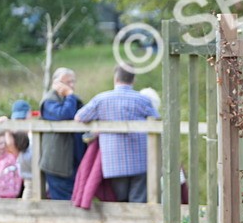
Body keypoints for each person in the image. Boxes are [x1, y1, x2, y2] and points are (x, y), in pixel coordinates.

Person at [75, 66, 160, 203]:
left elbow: (79, 117)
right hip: (141, 159)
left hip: (113, 161)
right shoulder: (142, 100)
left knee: (119, 200)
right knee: (138, 200)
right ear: (134, 79)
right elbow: (156, 121)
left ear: (116, 78)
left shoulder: (101, 99)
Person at [40, 68, 85, 200]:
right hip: (58, 165)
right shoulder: (49, 100)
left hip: (74, 162)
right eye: (67, 82)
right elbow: (64, 115)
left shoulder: (74, 99)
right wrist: (70, 95)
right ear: (56, 83)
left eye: (73, 82)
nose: (71, 86)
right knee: (63, 204)